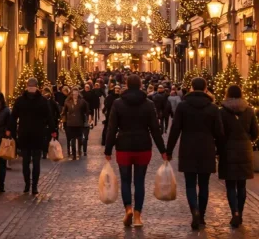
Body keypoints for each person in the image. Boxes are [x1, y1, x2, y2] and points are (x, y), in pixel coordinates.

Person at [104, 74, 167, 228]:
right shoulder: (148, 104)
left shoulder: (118, 103)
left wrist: (108, 149)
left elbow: (112, 129)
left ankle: (128, 209)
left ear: (126, 85)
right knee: (139, 181)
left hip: (124, 146)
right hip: (143, 146)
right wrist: (163, 150)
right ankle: (138, 215)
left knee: (125, 180)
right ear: (140, 85)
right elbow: (155, 129)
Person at [166, 78, 224, 230]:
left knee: (190, 184)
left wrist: (169, 150)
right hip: (207, 148)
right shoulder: (213, 108)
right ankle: (202, 215)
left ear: (191, 88)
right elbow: (219, 132)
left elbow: (175, 129)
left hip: (188, 148)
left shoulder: (183, 106)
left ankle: (195, 211)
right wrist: (220, 150)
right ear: (205, 88)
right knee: (204, 184)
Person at [218, 84, 259, 227]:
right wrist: (246, 140)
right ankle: (240, 213)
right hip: (244, 151)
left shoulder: (222, 112)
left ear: (227, 94)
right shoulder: (249, 111)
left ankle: (234, 212)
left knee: (230, 185)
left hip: (227, 151)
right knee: (242, 185)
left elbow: (219, 133)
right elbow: (255, 133)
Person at [10, 78, 55, 195]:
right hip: (37, 135)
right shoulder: (42, 101)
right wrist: (52, 130)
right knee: (35, 162)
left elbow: (13, 118)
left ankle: (28, 185)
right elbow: (49, 117)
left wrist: (11, 131)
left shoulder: (20, 101)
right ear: (37, 87)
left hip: (25, 135)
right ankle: (33, 186)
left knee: (26, 161)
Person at [62, 86, 91, 159]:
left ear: (78, 93)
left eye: (76, 93)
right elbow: (64, 112)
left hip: (79, 122)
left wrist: (89, 118)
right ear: (71, 94)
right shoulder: (67, 101)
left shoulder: (82, 101)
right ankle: (74, 154)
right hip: (70, 123)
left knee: (79, 138)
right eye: (73, 94)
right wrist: (62, 119)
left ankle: (79, 151)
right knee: (72, 139)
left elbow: (87, 110)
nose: (75, 95)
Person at [42, 86, 61, 158]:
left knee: (49, 137)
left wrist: (56, 119)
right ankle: (45, 152)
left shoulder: (52, 102)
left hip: (51, 122)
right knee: (46, 137)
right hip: (46, 122)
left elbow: (57, 112)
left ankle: (48, 151)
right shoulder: (44, 102)